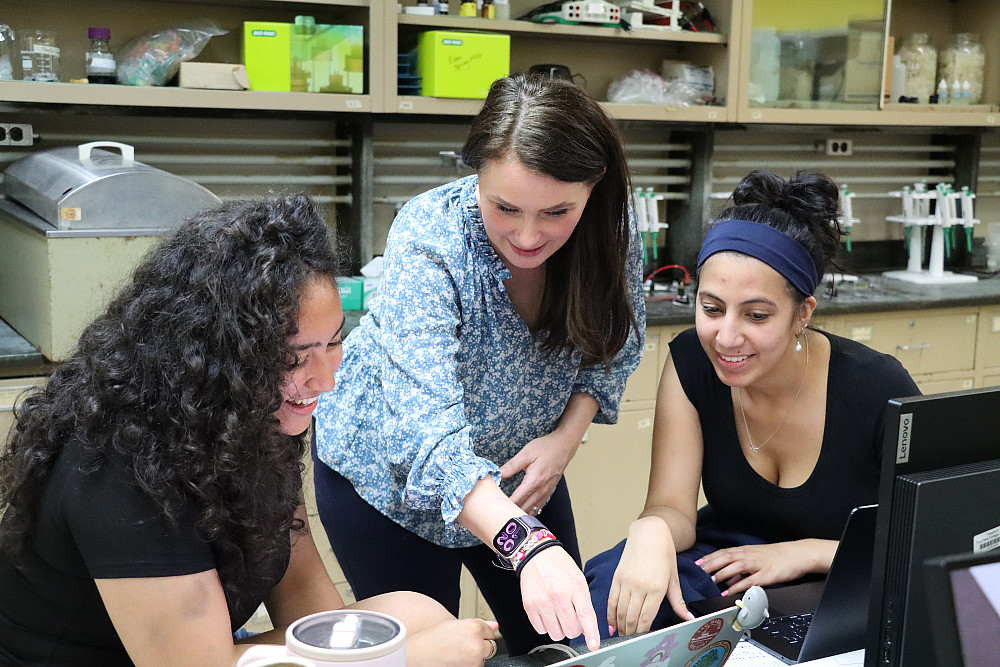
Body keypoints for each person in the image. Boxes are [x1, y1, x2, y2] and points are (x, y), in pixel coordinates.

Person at [0, 195, 498, 666]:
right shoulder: (127, 467)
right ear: (220, 355)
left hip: (204, 652)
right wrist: (400, 660)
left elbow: (306, 601)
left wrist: (380, 652)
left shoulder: (247, 418)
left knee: (418, 613)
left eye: (332, 343)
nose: (325, 380)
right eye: (294, 358)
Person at [311, 73, 646, 655]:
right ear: (476, 176)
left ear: (592, 188)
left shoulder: (609, 227)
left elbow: (613, 347)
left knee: (564, 645)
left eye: (556, 212)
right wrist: (530, 546)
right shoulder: (431, 235)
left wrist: (565, 440)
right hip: (389, 488)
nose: (527, 235)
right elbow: (424, 432)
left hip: (521, 477)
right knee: (432, 655)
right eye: (505, 207)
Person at [586, 170, 921, 637]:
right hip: (736, 558)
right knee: (614, 583)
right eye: (711, 308)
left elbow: (932, 534)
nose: (726, 337)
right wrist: (651, 531)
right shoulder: (692, 361)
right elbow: (672, 509)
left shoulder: (877, 386)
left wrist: (805, 553)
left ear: (802, 314)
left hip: (853, 571)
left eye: (756, 315)